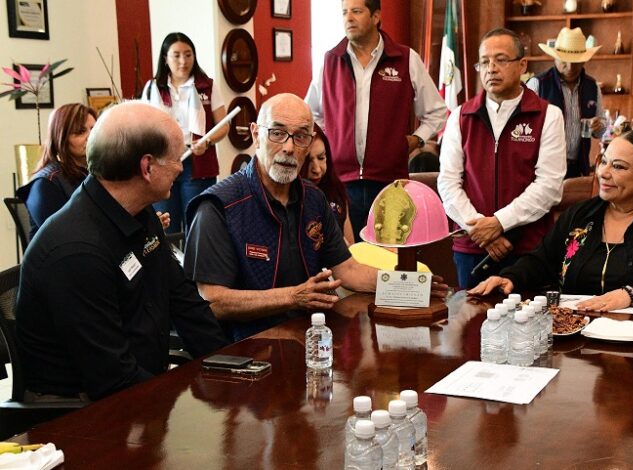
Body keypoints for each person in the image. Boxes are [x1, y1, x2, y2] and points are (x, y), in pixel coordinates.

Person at [15, 102, 228, 402]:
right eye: (175, 158)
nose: (181, 167)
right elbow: (111, 377)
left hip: (137, 387)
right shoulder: (77, 252)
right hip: (80, 411)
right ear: (147, 167)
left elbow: (185, 303)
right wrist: (178, 401)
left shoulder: (140, 212)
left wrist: (230, 366)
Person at [185, 94, 387, 342]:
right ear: (256, 135)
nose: (289, 147)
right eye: (277, 133)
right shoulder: (218, 206)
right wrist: (293, 297)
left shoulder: (314, 199)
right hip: (244, 350)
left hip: (308, 340)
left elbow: (348, 269)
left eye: (300, 136)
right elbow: (211, 301)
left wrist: (412, 286)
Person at [469, 131, 633, 310]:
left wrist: (631, 294)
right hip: (575, 335)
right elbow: (542, 260)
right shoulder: (581, 214)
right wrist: (511, 277)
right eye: (603, 161)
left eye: (618, 166)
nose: (603, 173)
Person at [305, 0, 447, 242]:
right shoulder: (330, 61)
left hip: (390, 183)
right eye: (344, 12)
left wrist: (416, 140)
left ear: (376, 16)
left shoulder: (405, 59)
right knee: (345, 254)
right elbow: (311, 114)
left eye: (356, 11)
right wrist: (332, 142)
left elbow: (437, 111)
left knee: (387, 255)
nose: (349, 18)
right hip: (341, 182)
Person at [437, 27, 567, 289]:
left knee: (528, 315)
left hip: (528, 248)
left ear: (522, 65)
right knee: (470, 315)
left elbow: (549, 186)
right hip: (473, 248)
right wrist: (480, 230)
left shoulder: (548, 115)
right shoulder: (460, 116)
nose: (491, 69)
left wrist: (499, 223)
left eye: (501, 60)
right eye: (484, 62)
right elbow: (448, 182)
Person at [141, 32, 227, 234]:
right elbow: (143, 126)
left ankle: (193, 256)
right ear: (165, 58)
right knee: (165, 224)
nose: (183, 61)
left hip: (197, 161)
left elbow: (223, 126)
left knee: (196, 222)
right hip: (162, 162)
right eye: (176, 55)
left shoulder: (207, 86)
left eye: (188, 55)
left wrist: (207, 141)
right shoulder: (153, 88)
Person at [526, 27, 606, 178]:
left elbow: (601, 129)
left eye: (575, 62)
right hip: (543, 169)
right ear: (554, 58)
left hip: (578, 169)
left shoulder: (592, 87)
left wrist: (599, 126)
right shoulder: (537, 84)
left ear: (584, 60)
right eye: (564, 61)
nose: (570, 68)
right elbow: (523, 129)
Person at [16, 103, 96, 238]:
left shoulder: (92, 174)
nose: (91, 136)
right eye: (80, 132)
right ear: (61, 137)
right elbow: (64, 238)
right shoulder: (46, 183)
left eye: (94, 129)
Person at [301, 123, 355, 245]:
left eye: (321, 158)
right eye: (308, 161)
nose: (317, 169)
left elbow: (351, 247)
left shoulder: (336, 191)